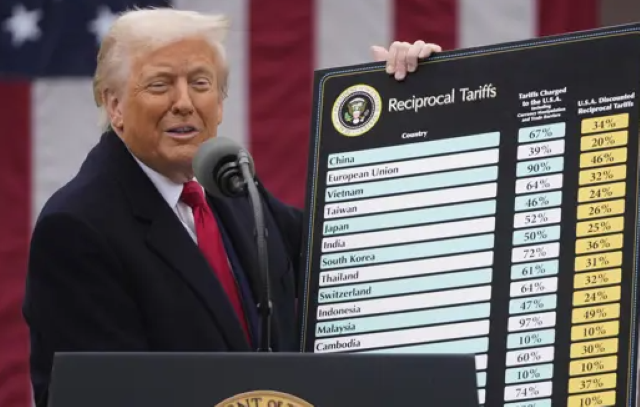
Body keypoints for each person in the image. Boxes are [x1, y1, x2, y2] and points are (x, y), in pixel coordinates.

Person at [22, 7, 442, 407]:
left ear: (220, 104)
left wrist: (406, 106)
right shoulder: (77, 229)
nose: (184, 102)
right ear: (114, 106)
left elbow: (347, 253)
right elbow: (104, 396)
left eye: (200, 83)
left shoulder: (232, 187)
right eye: (160, 85)